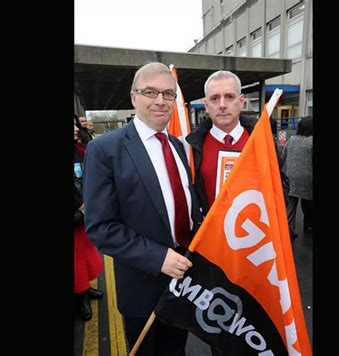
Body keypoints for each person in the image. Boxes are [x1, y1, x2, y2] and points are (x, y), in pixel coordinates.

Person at [83, 62, 203, 355]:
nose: (160, 101)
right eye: (151, 92)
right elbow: (100, 226)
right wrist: (158, 257)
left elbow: (185, 205)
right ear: (134, 97)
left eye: (168, 93)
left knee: (175, 350)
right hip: (142, 286)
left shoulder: (176, 145)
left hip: (183, 282)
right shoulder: (105, 149)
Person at [186, 70, 257, 216]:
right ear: (206, 105)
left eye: (229, 97)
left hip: (254, 231)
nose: (222, 105)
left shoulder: (261, 139)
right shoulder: (190, 147)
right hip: (212, 235)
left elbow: (281, 182)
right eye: (215, 98)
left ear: (241, 101)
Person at [74, 116, 105, 321]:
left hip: (83, 215)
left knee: (85, 259)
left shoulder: (78, 149)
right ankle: (79, 299)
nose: (76, 129)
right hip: (77, 214)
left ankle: (85, 290)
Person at [281, 116, 313, 239]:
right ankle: (308, 225)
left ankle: (288, 230)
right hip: (308, 178)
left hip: (290, 177)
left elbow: (284, 156)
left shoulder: (291, 139)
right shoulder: (311, 141)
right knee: (308, 205)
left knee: (290, 206)